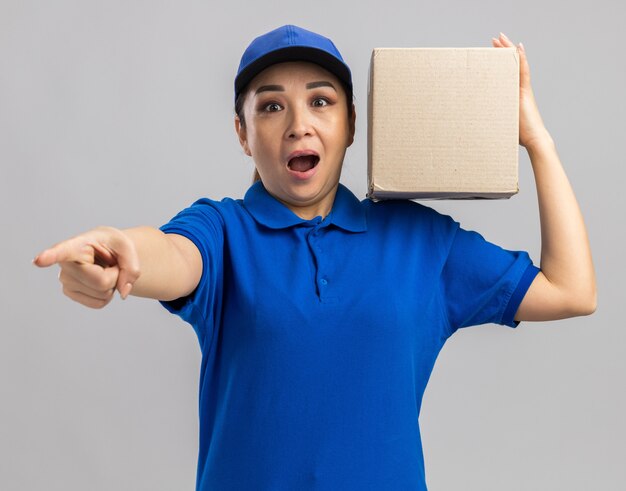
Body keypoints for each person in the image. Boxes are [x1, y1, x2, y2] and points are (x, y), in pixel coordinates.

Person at [33, 25, 596, 491]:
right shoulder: (223, 229)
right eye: (272, 106)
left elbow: (571, 289)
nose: (298, 123)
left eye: (320, 101)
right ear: (243, 133)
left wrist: (535, 139)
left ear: (352, 123)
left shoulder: (420, 241)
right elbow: (171, 255)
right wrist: (124, 251)